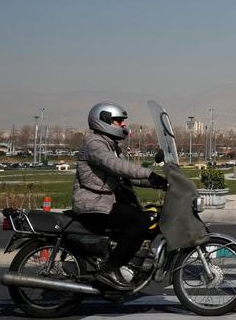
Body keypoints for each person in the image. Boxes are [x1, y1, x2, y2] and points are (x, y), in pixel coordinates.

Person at [72, 102, 168, 291]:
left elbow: (126, 174)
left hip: (104, 202)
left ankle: (128, 262)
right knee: (141, 221)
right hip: (92, 204)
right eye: (118, 121)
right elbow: (116, 166)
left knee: (146, 215)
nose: (123, 125)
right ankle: (110, 269)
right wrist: (149, 174)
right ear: (104, 122)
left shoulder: (111, 146)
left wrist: (161, 181)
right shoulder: (95, 144)